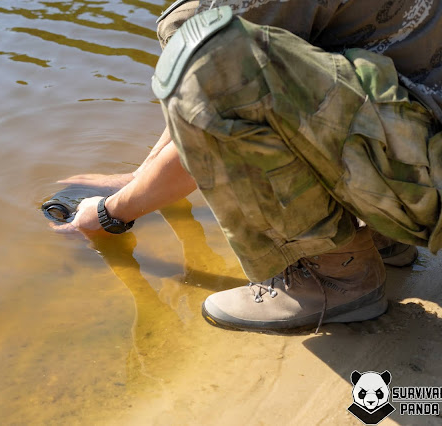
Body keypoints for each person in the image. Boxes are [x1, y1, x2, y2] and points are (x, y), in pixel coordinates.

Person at [52, 0, 442, 332]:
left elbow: (213, 102)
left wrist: (110, 214)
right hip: (421, 156)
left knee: (204, 46)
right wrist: (141, 177)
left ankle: (337, 278)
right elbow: (209, 90)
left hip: (430, 185)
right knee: (209, 43)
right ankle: (383, 237)